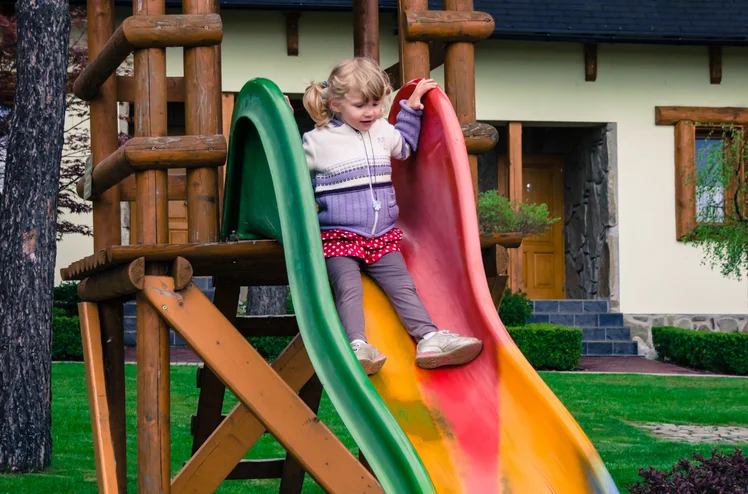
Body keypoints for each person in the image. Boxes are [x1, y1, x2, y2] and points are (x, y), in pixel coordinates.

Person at [300, 57, 483, 375]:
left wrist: (411, 108)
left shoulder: (383, 131)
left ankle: (428, 338)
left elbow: (407, 148)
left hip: (382, 235)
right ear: (336, 103)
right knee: (348, 286)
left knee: (403, 285)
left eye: (376, 103)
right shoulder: (317, 142)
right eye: (361, 105)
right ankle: (357, 346)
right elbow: (294, 181)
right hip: (339, 235)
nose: (370, 112)